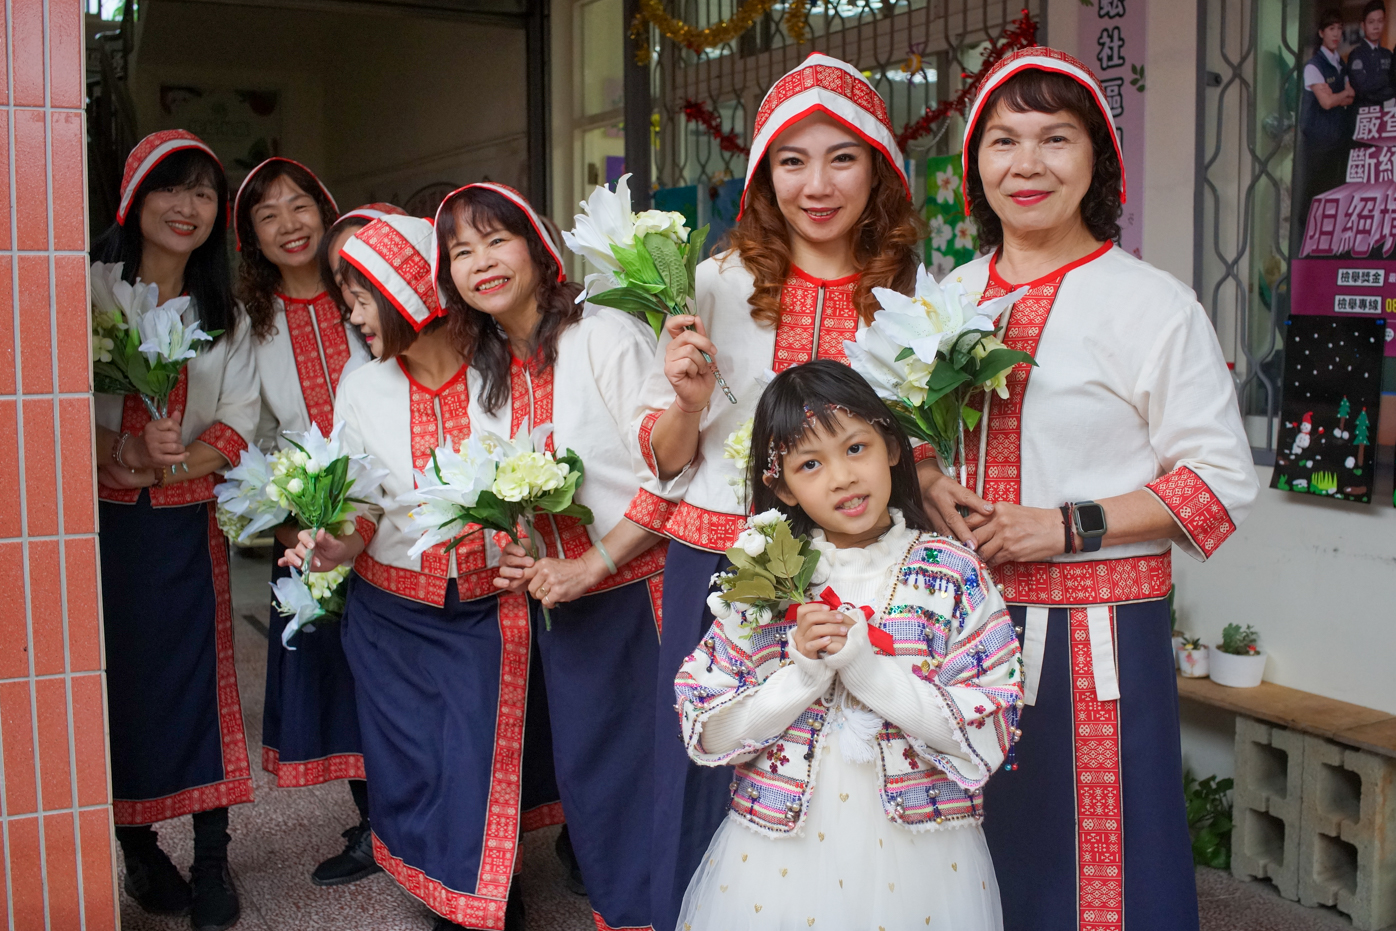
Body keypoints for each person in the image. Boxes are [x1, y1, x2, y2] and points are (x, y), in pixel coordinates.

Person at [920, 48, 1259, 931]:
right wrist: (924, 475)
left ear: (1097, 160)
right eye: (1002, 141)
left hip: (1096, 636)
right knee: (959, 850)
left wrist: (1068, 526)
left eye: (1054, 139)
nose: (1025, 164)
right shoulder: (947, 301)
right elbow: (909, 442)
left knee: (1099, 869)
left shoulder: (1150, 305)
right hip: (956, 626)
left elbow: (1221, 483)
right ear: (973, 165)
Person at [629, 53, 928, 928]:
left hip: (861, 572)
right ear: (763, 176)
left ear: (877, 166)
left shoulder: (908, 292)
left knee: (846, 769)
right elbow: (663, 453)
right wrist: (688, 402)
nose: (818, 183)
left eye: (843, 156)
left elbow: (918, 444)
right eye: (792, 161)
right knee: (711, 762)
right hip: (721, 560)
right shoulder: (714, 282)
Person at [674, 360, 1022, 930]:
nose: (841, 477)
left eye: (855, 448)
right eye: (810, 464)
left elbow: (991, 725)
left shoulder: (953, 575)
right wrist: (802, 677)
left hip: (925, 856)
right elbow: (707, 729)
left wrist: (866, 673)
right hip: (778, 856)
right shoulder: (762, 580)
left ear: (890, 446)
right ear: (781, 485)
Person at [281, 214, 530, 931]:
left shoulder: (508, 369)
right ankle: (451, 891)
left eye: (361, 298)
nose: (354, 317)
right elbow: (363, 505)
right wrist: (331, 546)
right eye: (348, 300)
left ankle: (479, 902)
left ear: (407, 289)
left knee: (475, 763)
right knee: (412, 768)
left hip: (486, 608)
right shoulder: (362, 389)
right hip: (389, 615)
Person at [434, 182, 666, 931]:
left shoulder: (606, 335)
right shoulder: (489, 373)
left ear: (538, 248)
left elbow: (677, 476)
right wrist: (517, 543)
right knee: (593, 782)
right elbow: (511, 490)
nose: (481, 262)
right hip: (564, 603)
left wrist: (592, 563)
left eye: (495, 240)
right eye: (462, 252)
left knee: (649, 775)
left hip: (640, 593)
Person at [93, 129, 259, 931]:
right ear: (133, 198)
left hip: (189, 530)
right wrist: (117, 449)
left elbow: (235, 426)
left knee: (200, 685)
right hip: (95, 532)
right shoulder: (83, 294)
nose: (188, 207)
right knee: (110, 689)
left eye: (203, 193)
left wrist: (164, 463)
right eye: (172, 187)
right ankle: (138, 847)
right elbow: (40, 407)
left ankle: (213, 853)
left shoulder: (224, 314)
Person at [233, 157, 381, 887]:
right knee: (337, 674)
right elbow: (251, 436)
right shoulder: (245, 323)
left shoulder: (363, 290)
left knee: (397, 667)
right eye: (269, 214)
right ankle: (375, 821)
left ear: (326, 211)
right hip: (307, 525)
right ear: (252, 238)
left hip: (390, 508)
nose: (289, 224)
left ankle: (410, 813)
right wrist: (288, 524)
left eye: (300, 205)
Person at [1296, 8, 1357, 229]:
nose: (1336, 34)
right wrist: (1338, 97)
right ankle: (1304, 246)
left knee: (1334, 193)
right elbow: (1326, 102)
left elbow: (1350, 97)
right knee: (1313, 194)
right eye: (1331, 29)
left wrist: (1335, 96)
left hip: (1337, 141)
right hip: (1317, 143)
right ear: (1322, 32)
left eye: (1339, 29)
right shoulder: (1314, 66)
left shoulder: (1340, 63)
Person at [1348, 1, 1393, 108]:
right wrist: (1385, 80)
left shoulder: (1388, 55)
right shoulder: (1356, 55)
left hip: (1382, 115)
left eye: (1380, 21)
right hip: (1360, 116)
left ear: (1384, 23)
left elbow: (1394, 87)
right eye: (1371, 22)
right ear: (1363, 25)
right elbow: (1362, 89)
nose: (1376, 26)